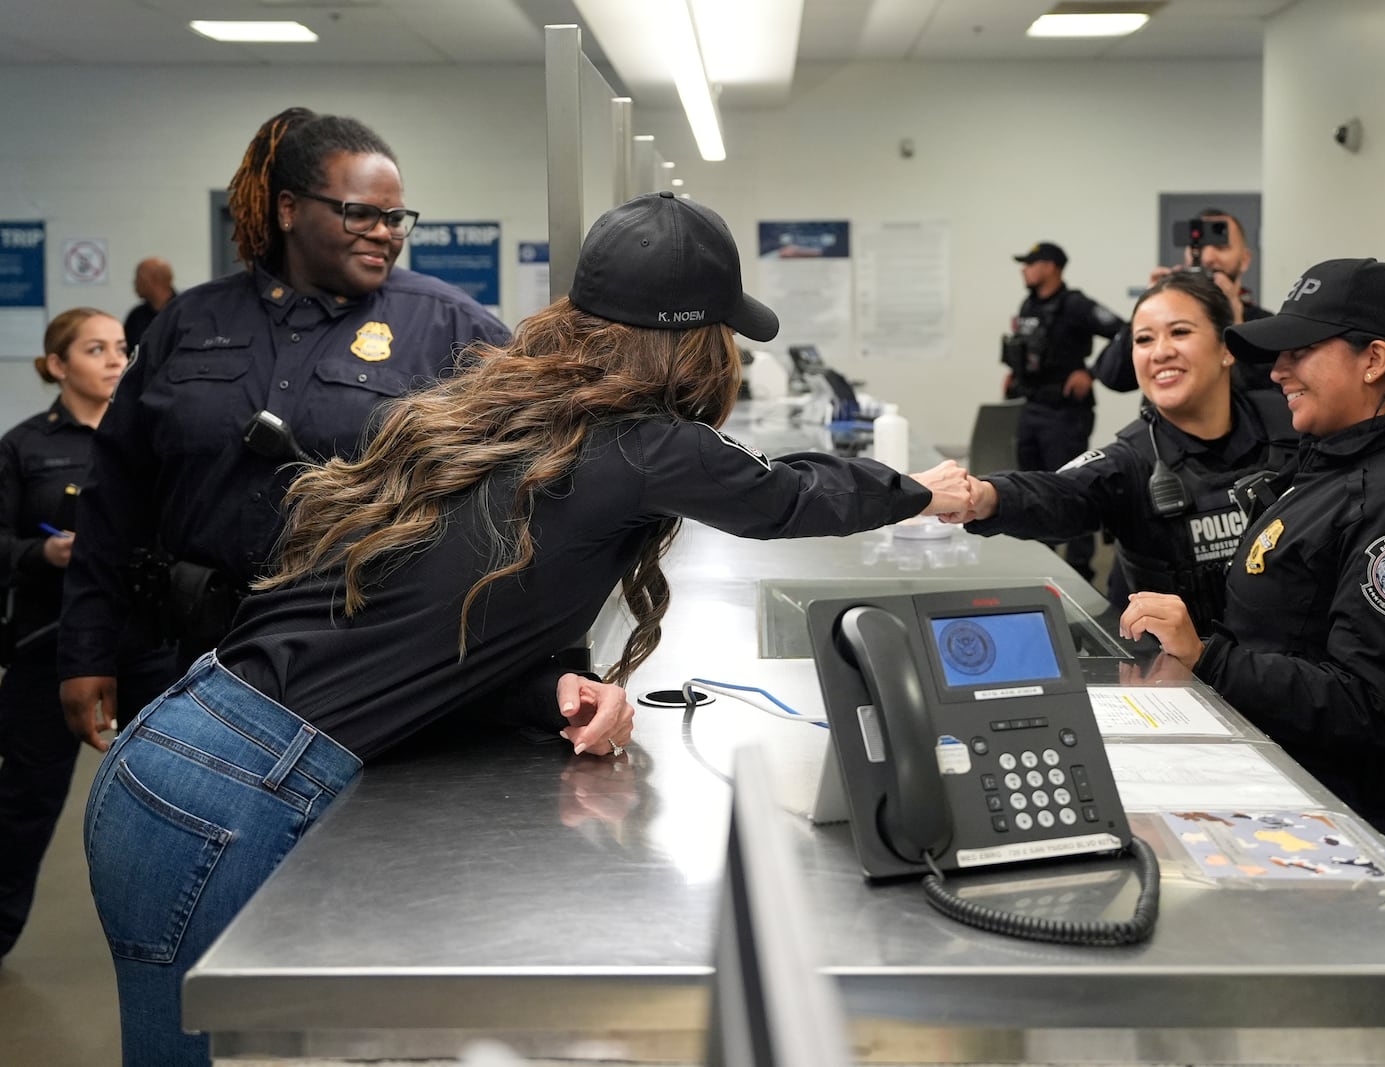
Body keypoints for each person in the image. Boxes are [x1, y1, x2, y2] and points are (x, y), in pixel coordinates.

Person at [81, 190, 972, 1065]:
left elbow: (416, 613)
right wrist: (923, 492)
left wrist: (545, 686)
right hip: (234, 791)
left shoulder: (501, 410)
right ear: (692, 341)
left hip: (185, 751)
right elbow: (786, 495)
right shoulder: (647, 442)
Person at [59, 107, 510, 752]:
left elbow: (518, 496)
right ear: (290, 210)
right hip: (188, 651)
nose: (384, 233)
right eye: (360, 214)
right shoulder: (189, 322)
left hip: (357, 659)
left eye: (396, 218)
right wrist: (86, 649)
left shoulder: (451, 328)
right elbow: (115, 495)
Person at [1119, 258, 1385, 865]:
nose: (1277, 371)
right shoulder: (1335, 464)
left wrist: (1208, 656)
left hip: (1342, 824)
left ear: (1373, 361)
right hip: (1288, 786)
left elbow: (1368, 704)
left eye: (1299, 351)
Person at [951, 271, 1295, 627]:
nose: (1160, 352)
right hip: (1182, 671)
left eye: (1180, 332)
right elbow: (1061, 493)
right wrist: (985, 495)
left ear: (1226, 349)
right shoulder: (1131, 460)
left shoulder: (1291, 428)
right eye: (1143, 339)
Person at [0, 310, 165, 964]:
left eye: (120, 348)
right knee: (26, 799)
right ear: (56, 364)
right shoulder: (22, 447)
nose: (114, 360)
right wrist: (46, 556)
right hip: (52, 641)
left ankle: (164, 934)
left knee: (162, 790)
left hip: (146, 636)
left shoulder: (148, 439)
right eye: (95, 349)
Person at [1000, 241, 1126, 582]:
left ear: (1051, 267)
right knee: (1031, 487)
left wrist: (1093, 373)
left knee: (1069, 486)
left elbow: (1123, 331)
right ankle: (1042, 561)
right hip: (1031, 408)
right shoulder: (1029, 304)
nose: (1024, 269)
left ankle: (1079, 570)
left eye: (1030, 263)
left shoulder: (1076, 305)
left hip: (1065, 414)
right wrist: (1015, 372)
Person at [1095, 209, 1275, 392]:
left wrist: (1237, 326)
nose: (1208, 258)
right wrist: (1147, 308)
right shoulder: (1164, 317)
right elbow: (1113, 377)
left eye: (1221, 248)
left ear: (1245, 259)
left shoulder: (1265, 325)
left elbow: (1270, 395)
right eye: (1199, 248)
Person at [121, 257, 177, 350]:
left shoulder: (187, 311)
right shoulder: (136, 317)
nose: (135, 282)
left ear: (155, 279)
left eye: (139, 277)